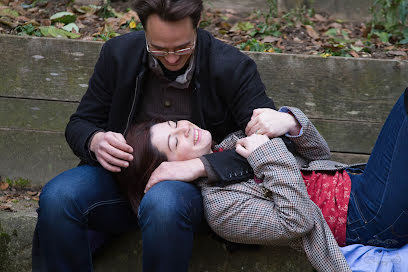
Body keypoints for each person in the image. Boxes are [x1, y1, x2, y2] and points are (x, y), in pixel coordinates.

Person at [32, 0, 295, 271]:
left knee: (163, 202)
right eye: (158, 48)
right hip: (124, 179)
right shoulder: (118, 55)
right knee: (60, 196)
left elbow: (271, 145)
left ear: (198, 24)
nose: (170, 58)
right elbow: (81, 123)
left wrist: (201, 165)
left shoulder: (232, 68)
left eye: (182, 47)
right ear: (143, 28)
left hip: (200, 193)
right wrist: (94, 140)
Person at [117, 89, 408, 272]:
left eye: (175, 123)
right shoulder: (221, 209)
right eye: (174, 141)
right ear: (173, 169)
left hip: (362, 185)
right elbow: (298, 221)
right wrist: (266, 153)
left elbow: (320, 157)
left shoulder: (232, 144)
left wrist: (292, 124)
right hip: (366, 219)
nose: (185, 128)